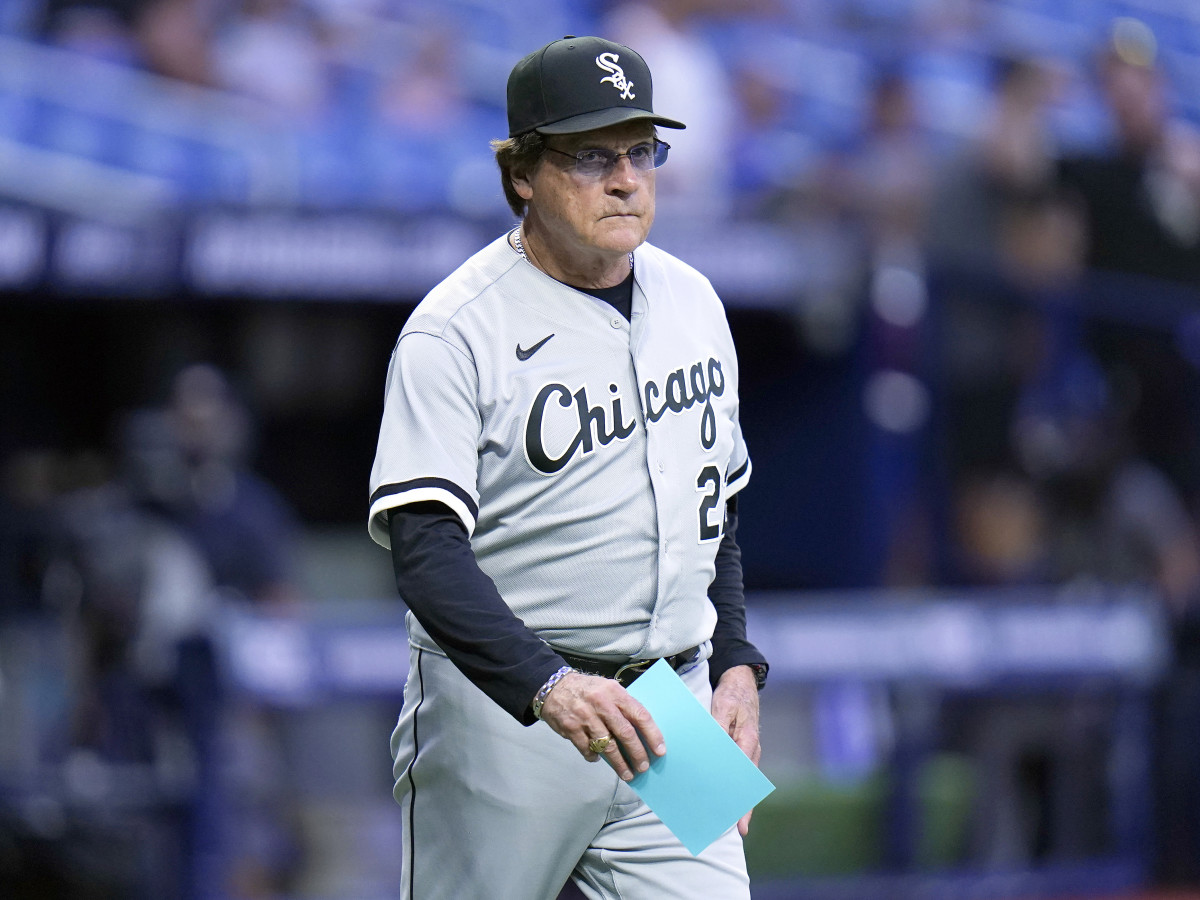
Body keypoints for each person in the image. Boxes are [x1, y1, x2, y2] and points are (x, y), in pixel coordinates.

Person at [367, 34, 768, 900]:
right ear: (522, 173)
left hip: (673, 706)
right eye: (592, 156)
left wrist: (735, 663)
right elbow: (426, 557)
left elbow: (718, 510)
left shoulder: (696, 300)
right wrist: (546, 685)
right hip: (506, 712)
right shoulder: (454, 331)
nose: (627, 179)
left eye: (642, 152)